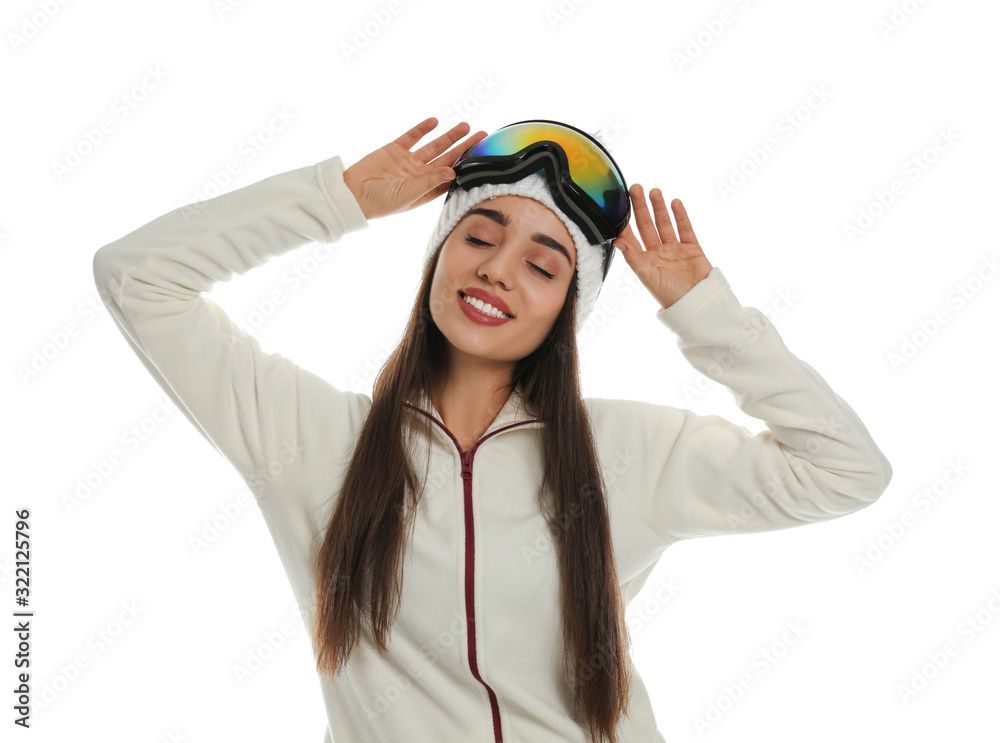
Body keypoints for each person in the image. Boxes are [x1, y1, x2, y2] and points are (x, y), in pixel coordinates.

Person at [92, 116, 892, 743]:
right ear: (439, 257)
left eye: (544, 265)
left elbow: (847, 469)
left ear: (566, 312)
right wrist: (343, 199)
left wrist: (703, 310)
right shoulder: (310, 441)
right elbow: (136, 275)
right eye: (478, 236)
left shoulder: (630, 454)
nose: (498, 269)